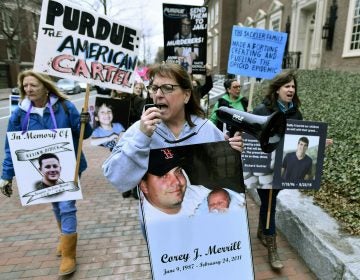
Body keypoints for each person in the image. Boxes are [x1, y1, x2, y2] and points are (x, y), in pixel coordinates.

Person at [102, 63, 244, 219]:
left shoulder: (206, 128)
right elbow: (118, 180)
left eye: (168, 88)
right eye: (154, 88)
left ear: (186, 95)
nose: (158, 94)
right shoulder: (139, 130)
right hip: (160, 232)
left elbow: (224, 177)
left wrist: (233, 154)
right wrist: (141, 138)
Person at [0, 69, 92, 276]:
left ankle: (69, 254)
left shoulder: (65, 107)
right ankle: (64, 237)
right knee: (55, 203)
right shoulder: (19, 114)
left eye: (33, 85)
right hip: (41, 169)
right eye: (25, 86)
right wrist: (6, 176)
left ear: (45, 86)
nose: (28, 89)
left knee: (67, 204)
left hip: (69, 165)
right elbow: (10, 147)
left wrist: (85, 122)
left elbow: (82, 135)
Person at [252, 69, 303, 270]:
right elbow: (251, 138)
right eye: (287, 86)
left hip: (283, 169)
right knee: (269, 203)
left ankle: (261, 229)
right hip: (262, 167)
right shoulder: (261, 111)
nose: (291, 89)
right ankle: (272, 249)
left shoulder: (296, 113)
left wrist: (321, 142)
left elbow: (301, 137)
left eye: (293, 86)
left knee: (269, 202)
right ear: (277, 90)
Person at [140, 147, 209, 221]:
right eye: (164, 176)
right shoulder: (148, 221)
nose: (177, 182)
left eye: (178, 171)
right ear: (144, 186)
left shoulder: (199, 194)